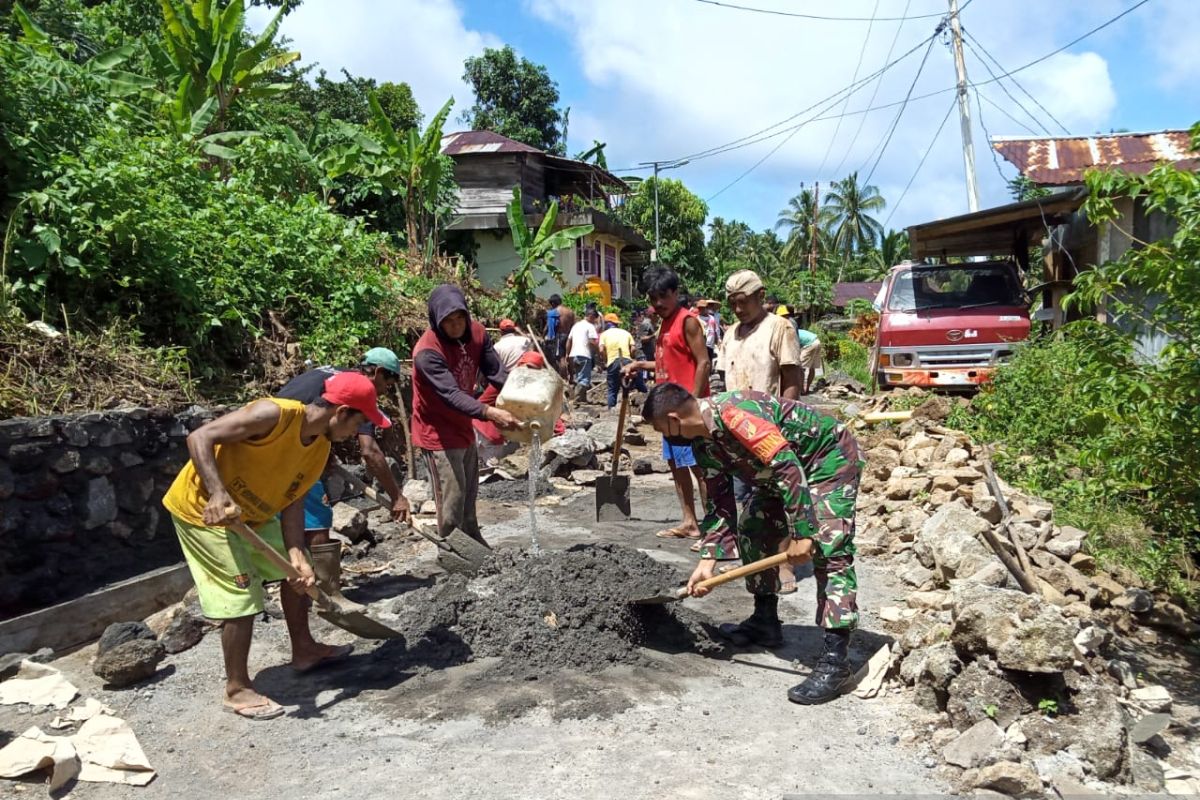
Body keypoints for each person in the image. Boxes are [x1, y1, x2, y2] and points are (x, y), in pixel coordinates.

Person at [162, 371, 390, 719]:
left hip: (252, 515)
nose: (350, 436)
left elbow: (293, 503)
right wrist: (218, 493)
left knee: (301, 575)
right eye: (356, 422)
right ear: (341, 412)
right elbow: (199, 437)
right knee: (242, 593)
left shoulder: (319, 448)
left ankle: (304, 649)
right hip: (202, 512)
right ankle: (237, 689)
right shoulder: (274, 415)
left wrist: (297, 556)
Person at [640, 382, 863, 705]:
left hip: (826, 460)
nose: (664, 437)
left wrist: (802, 532)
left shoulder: (735, 414)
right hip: (777, 475)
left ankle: (835, 661)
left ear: (674, 418)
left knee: (830, 549)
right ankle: (765, 621)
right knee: (754, 527)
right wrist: (708, 562)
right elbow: (719, 503)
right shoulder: (703, 443)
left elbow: (787, 465)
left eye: (661, 428)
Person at [275, 348, 410, 610]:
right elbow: (369, 452)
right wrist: (397, 497)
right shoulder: (358, 393)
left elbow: (314, 419)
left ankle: (313, 589)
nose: (382, 393)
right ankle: (327, 596)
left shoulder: (329, 373)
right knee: (316, 523)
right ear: (379, 373)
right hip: (289, 456)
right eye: (386, 386)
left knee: (305, 524)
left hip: (284, 445)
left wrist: (323, 457)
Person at [411, 284, 518, 544]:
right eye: (448, 321)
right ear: (437, 322)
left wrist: (526, 397)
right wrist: (490, 412)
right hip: (437, 431)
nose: (456, 325)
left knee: (470, 494)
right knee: (452, 499)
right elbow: (451, 395)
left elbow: (497, 372)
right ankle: (451, 552)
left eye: (460, 318)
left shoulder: (478, 333)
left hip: (463, 425)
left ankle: (474, 542)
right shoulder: (427, 352)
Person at [718, 270, 804, 587]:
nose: (738, 310)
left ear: (759, 296)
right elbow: (721, 380)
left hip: (770, 429)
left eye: (743, 302)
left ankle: (784, 565)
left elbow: (792, 381)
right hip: (735, 431)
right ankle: (757, 563)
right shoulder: (731, 334)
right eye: (733, 304)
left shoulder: (779, 328)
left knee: (777, 497)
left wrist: (785, 424)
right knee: (747, 500)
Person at [623, 265, 711, 542]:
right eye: (652, 298)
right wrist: (640, 364)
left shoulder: (688, 321)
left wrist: (694, 404)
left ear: (675, 292)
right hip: (667, 412)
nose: (657, 303)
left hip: (686, 414)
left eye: (662, 296)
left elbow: (703, 362)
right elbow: (666, 362)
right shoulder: (664, 324)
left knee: (701, 469)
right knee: (677, 467)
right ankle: (689, 522)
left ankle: (713, 529)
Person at [473, 350, 566, 464]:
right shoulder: (512, 383)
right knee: (488, 469)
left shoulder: (515, 380)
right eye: (528, 367)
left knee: (479, 467)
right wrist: (559, 429)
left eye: (532, 368)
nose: (529, 371)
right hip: (486, 429)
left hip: (480, 426)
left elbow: (543, 409)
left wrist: (558, 427)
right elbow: (541, 410)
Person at [598, 312, 637, 409]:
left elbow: (601, 350)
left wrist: (605, 359)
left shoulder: (604, 334)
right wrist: (631, 357)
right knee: (628, 387)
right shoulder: (626, 333)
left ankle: (611, 411)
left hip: (613, 362)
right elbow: (633, 349)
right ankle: (628, 409)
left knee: (612, 389)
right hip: (627, 362)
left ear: (607, 323)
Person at [567, 308, 600, 402]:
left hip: (574, 355)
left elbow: (569, 341)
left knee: (579, 376)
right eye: (594, 319)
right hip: (584, 355)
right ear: (591, 316)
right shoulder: (590, 326)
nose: (595, 321)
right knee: (584, 379)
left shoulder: (576, 326)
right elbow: (592, 342)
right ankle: (576, 399)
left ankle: (582, 399)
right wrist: (598, 354)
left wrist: (567, 354)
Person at [794, 323, 824, 395]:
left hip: (810, 344)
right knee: (812, 367)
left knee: (800, 368)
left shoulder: (793, 334)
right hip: (817, 341)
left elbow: (796, 348)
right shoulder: (798, 331)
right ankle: (806, 389)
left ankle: (802, 390)